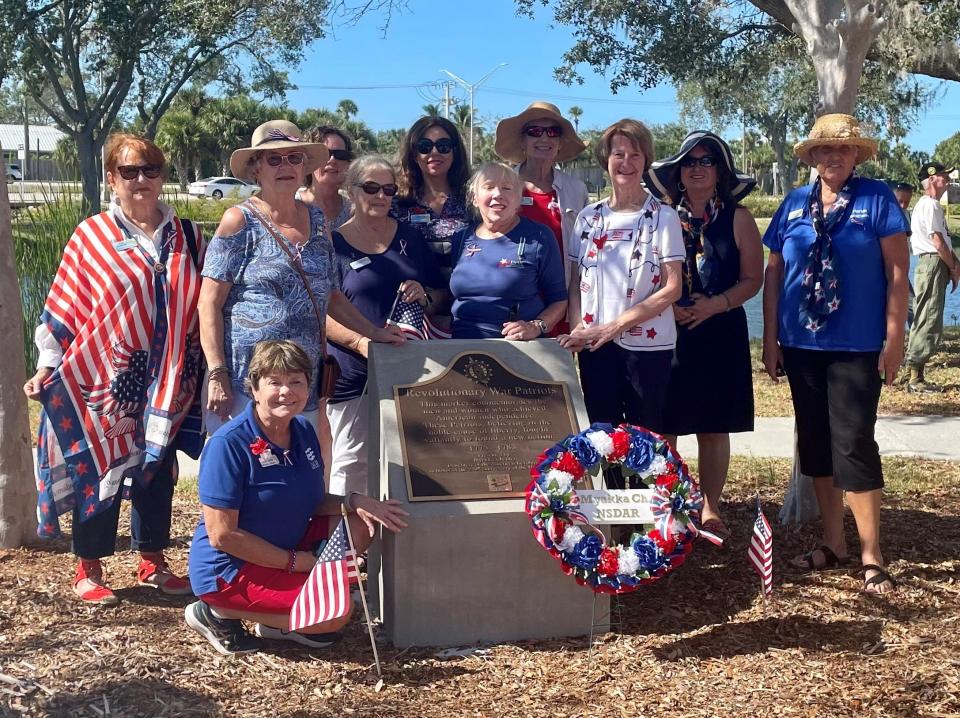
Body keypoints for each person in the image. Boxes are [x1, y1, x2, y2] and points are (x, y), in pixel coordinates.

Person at [24, 133, 204, 604]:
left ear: (163, 177)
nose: (142, 179)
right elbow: (64, 304)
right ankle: (89, 563)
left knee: (156, 467)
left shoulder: (189, 235)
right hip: (104, 379)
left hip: (169, 378)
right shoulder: (92, 236)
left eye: (151, 170)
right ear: (112, 177)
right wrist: (47, 364)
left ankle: (152, 558)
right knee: (97, 465)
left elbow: (208, 302)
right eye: (130, 171)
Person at [761, 113, 909, 594]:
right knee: (817, 445)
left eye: (842, 150)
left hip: (856, 344)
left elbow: (897, 274)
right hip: (800, 345)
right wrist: (769, 340)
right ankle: (833, 542)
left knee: (854, 444)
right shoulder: (795, 203)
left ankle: (872, 553)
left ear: (855, 156)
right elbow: (773, 273)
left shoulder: (877, 199)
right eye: (824, 150)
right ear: (813, 157)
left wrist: (895, 338)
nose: (833, 157)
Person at [185, 340, 408, 655]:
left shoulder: (302, 430)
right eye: (274, 382)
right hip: (232, 567)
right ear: (254, 388)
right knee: (335, 616)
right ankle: (216, 612)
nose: (286, 391)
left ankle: (279, 621)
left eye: (295, 381)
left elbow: (312, 500)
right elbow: (223, 535)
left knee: (360, 525)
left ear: (308, 386)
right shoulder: (228, 444)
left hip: (286, 544)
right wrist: (295, 562)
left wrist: (355, 501)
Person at [199, 120, 405, 438]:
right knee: (247, 474)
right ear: (256, 169)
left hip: (302, 383)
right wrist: (217, 372)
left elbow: (331, 294)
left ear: (303, 167)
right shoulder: (238, 221)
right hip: (248, 383)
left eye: (294, 158)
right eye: (274, 159)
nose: (286, 166)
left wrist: (374, 332)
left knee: (299, 477)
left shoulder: (318, 219)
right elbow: (209, 303)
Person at [646, 131, 763, 539]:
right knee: (667, 425)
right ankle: (671, 506)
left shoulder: (739, 218)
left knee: (714, 427)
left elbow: (753, 279)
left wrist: (717, 304)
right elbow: (643, 273)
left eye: (706, 161)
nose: (697, 168)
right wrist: (668, 304)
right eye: (689, 161)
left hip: (721, 331)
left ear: (719, 172)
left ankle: (711, 507)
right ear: (678, 172)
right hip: (668, 331)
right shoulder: (658, 216)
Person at [558, 119, 684, 439]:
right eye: (618, 154)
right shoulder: (587, 218)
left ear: (646, 162)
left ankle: (645, 493)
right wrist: (578, 329)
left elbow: (672, 288)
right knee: (602, 439)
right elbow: (575, 282)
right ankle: (611, 491)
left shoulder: (663, 218)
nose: (626, 163)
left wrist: (616, 326)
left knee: (645, 441)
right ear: (606, 160)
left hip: (647, 349)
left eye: (635, 155)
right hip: (595, 346)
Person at [326, 156, 443, 497]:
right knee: (351, 462)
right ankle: (348, 545)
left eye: (389, 189)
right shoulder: (333, 245)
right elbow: (322, 312)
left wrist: (425, 296)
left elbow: (441, 295)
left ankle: (396, 545)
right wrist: (362, 343)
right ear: (351, 190)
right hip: (353, 372)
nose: (381, 196)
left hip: (409, 370)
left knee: (406, 461)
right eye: (371, 188)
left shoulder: (410, 237)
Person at [494, 101, 589, 335]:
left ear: (559, 143)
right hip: (512, 307)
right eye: (535, 131)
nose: (544, 138)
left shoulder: (576, 189)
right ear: (523, 141)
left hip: (562, 303)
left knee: (559, 370)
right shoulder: (501, 186)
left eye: (552, 132)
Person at [448, 162, 567, 340]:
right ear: (474, 198)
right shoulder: (461, 238)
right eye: (488, 187)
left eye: (506, 188)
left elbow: (559, 301)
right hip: (460, 348)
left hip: (516, 350)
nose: (498, 194)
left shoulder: (539, 236)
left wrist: (536, 326)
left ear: (519, 198)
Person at [393, 117, 470, 286]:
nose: (434, 153)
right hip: (415, 303)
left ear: (454, 152)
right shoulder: (396, 203)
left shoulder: (473, 199)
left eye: (443, 145)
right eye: (424, 146)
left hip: (466, 302)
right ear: (413, 154)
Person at [904, 162, 959, 393]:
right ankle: (915, 377)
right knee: (930, 318)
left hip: (933, 264)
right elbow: (937, 242)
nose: (947, 180)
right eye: (944, 176)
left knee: (924, 315)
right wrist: (953, 267)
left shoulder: (928, 205)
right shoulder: (931, 205)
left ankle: (910, 371)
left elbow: (942, 241)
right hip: (933, 263)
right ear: (932, 178)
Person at [297, 125, 355, 230]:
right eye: (325, 154)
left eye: (340, 154)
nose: (332, 159)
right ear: (308, 160)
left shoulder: (354, 210)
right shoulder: (291, 204)